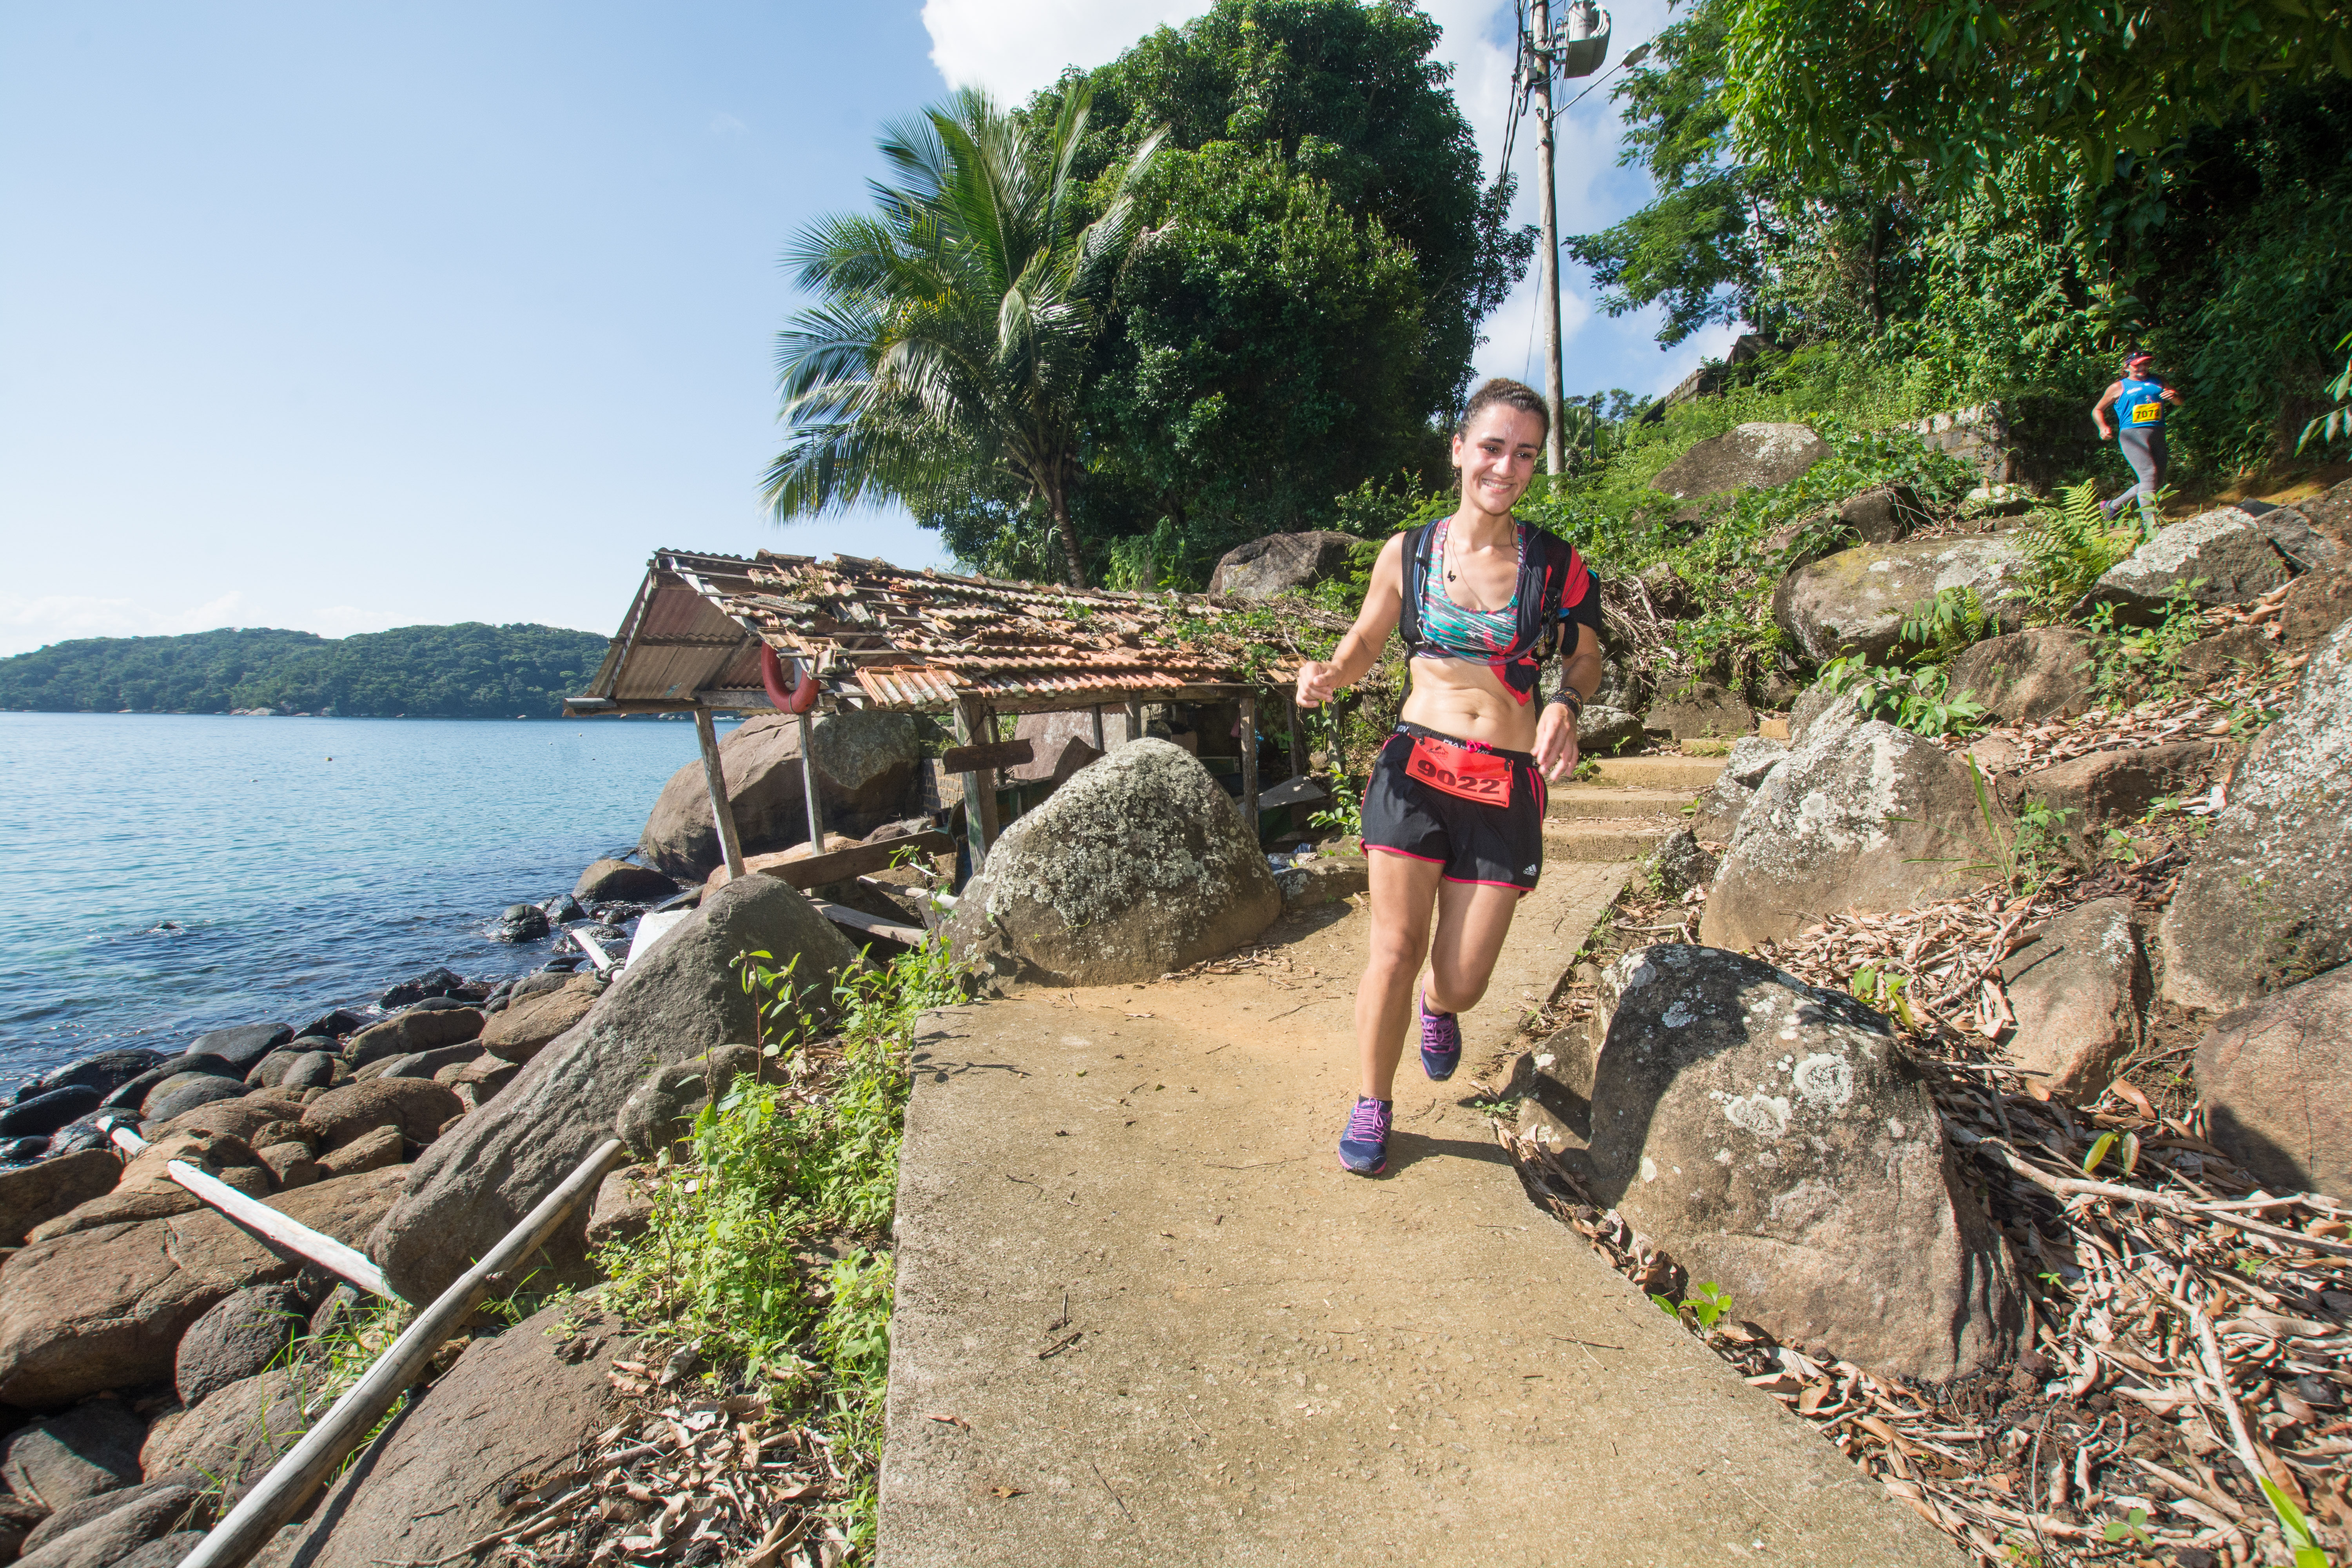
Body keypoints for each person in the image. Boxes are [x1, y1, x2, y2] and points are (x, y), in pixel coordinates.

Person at [1294, 378, 1603, 1176]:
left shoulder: (1555, 564)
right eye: (1493, 446)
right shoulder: (1412, 551)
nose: (1506, 465)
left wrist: (1565, 702)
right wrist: (1330, 673)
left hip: (1503, 782)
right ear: (1459, 448)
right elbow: (1365, 641)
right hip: (1416, 769)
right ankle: (1373, 1100)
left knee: (1461, 980)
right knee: (1394, 946)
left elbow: (1587, 652)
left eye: (1525, 453)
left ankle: (1440, 1008)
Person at [2092, 350, 2183, 524]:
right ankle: (2150, 525)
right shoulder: (2119, 386)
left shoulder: (2159, 381)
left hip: (2157, 434)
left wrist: (2174, 396)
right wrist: (2103, 427)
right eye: (2138, 364)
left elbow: (2179, 402)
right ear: (2127, 367)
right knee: (2149, 474)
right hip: (2132, 436)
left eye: (2147, 363)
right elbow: (2097, 410)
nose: (2143, 367)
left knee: (2157, 481)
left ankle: (2112, 506)